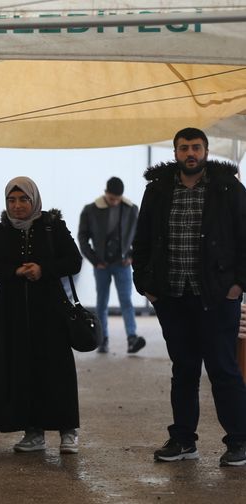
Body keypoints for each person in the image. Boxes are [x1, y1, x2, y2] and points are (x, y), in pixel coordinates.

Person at [132, 127, 246, 466]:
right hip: (172, 295)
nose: (190, 153)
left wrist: (239, 284)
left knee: (223, 369)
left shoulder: (229, 189)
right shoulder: (158, 190)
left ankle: (239, 441)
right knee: (183, 370)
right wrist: (146, 283)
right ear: (176, 152)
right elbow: (142, 238)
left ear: (206, 151)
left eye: (196, 147)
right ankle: (183, 440)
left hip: (217, 295)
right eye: (184, 148)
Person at [0, 176, 83, 454]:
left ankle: (67, 431)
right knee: (21, 370)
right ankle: (32, 432)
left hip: (50, 312)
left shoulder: (52, 227)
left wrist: (43, 269)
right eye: (12, 200)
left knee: (56, 370)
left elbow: (74, 260)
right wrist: (14, 271)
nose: (18, 205)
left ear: (34, 200)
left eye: (23, 199)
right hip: (12, 314)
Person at [78, 176, 143, 354]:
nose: (115, 202)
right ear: (105, 192)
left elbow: (140, 236)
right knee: (102, 302)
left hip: (122, 262)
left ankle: (132, 338)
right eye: (112, 198)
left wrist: (131, 255)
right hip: (102, 264)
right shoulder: (90, 210)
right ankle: (102, 338)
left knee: (126, 300)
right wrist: (94, 259)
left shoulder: (131, 209)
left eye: (118, 199)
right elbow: (82, 237)